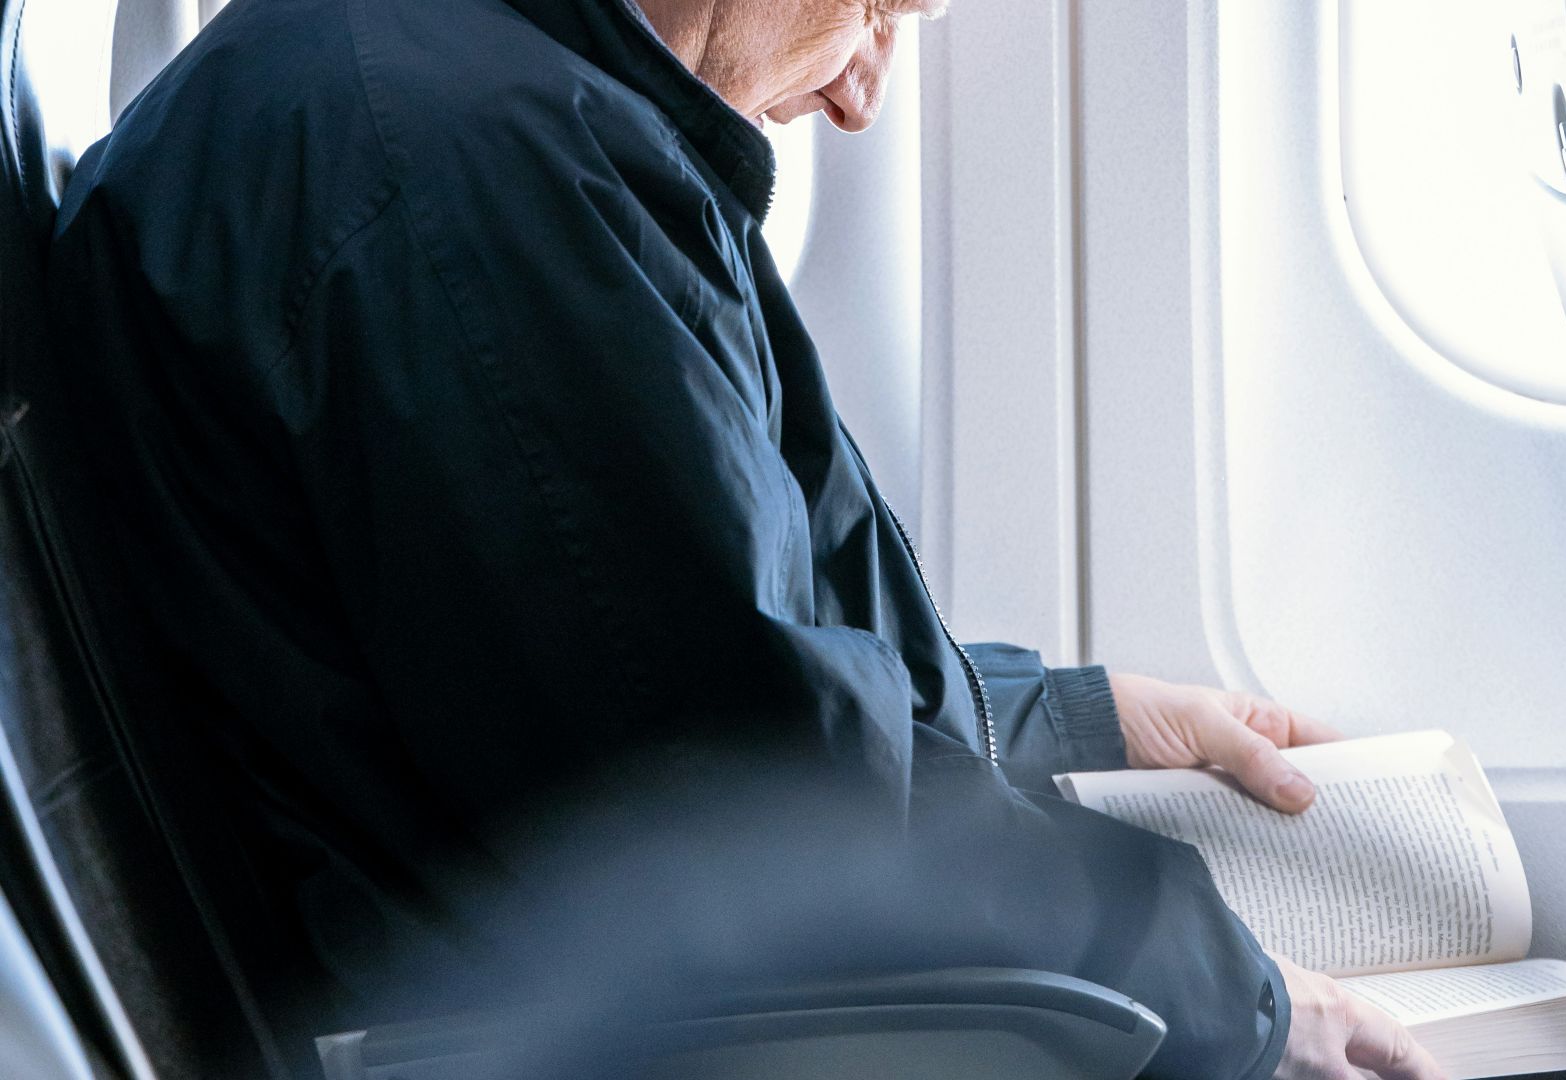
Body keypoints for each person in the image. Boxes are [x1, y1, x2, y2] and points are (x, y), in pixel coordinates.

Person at [42, 0, 1442, 1076]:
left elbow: (710, 650)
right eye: (884, 9)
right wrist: (1244, 1004)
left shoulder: (506, 108)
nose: (862, 95)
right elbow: (771, 812)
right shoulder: (475, 188)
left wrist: (1074, 712)